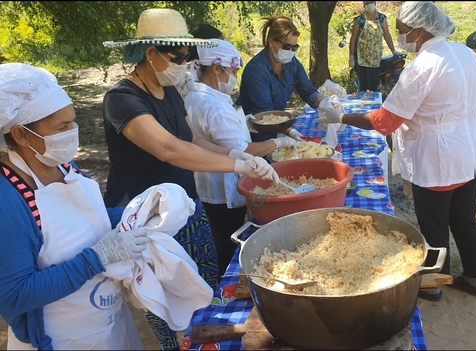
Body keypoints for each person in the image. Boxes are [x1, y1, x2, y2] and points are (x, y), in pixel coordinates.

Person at [101, 8, 279, 351]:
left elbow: (189, 141)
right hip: (148, 222)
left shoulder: (169, 93)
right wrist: (238, 167)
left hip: (185, 204)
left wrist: (239, 155)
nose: (185, 63)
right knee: (167, 305)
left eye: (188, 56)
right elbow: (168, 149)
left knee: (205, 286)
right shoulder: (122, 100)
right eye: (178, 56)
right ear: (150, 54)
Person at [315, 1, 476, 302]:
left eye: (402, 31)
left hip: (439, 156)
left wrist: (341, 117)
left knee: (434, 222)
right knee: (465, 216)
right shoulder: (466, 54)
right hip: (471, 148)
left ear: (421, 29)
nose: (401, 37)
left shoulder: (422, 67)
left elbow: (385, 122)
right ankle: (475, 279)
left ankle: (433, 283)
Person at [0, 62, 149, 350]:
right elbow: (14, 294)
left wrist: (136, 213)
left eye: (73, 121)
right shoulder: (8, 203)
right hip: (63, 339)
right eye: (62, 127)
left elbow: (89, 218)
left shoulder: (63, 165)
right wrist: (94, 259)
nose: (72, 131)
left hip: (111, 325)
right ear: (21, 134)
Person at [184, 39, 298, 277]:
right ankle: (229, 287)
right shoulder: (213, 105)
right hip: (223, 188)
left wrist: (248, 125)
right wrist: (279, 142)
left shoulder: (195, 96)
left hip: (206, 185)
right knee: (228, 244)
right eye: (234, 71)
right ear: (217, 68)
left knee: (218, 239)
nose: (235, 77)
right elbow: (242, 150)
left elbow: (218, 138)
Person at [236, 15, 325, 143]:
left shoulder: (292, 63)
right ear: (272, 42)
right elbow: (265, 113)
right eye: (287, 47)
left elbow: (308, 91)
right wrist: (290, 131)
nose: (291, 52)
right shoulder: (256, 70)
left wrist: (324, 103)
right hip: (255, 136)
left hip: (277, 128)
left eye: (295, 48)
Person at [349, 1, 399, 92]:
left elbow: (387, 35)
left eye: (371, 2)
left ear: (375, 4)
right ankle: (362, 102)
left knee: (373, 82)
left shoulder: (381, 19)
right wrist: (351, 56)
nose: (370, 5)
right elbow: (353, 39)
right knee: (362, 83)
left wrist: (393, 51)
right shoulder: (359, 20)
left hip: (375, 57)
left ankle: (373, 102)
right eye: (367, 3)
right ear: (364, 5)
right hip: (361, 57)